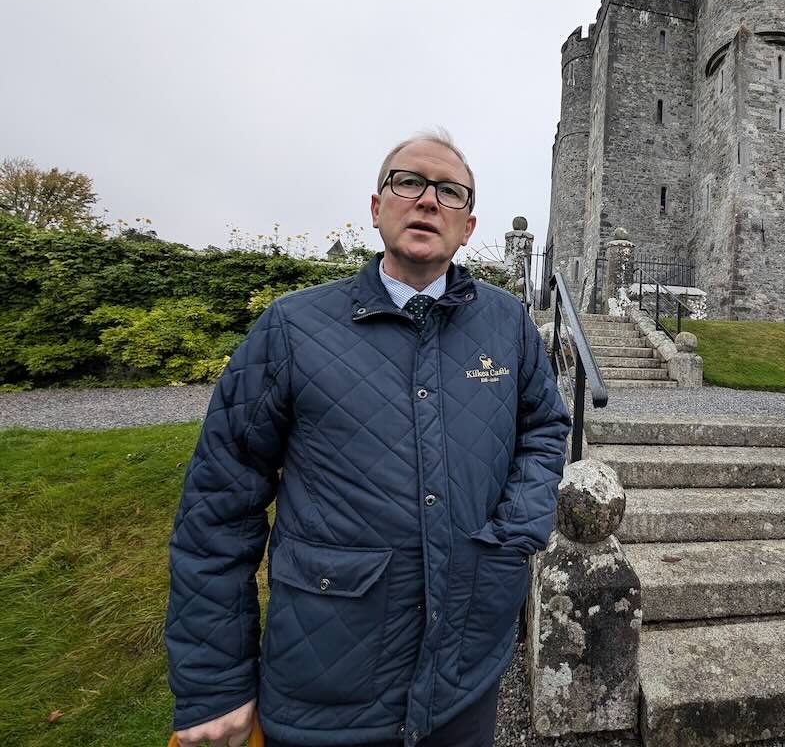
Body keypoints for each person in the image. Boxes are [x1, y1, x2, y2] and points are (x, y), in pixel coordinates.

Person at [166, 131, 569, 747]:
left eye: (449, 192)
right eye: (408, 183)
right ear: (377, 207)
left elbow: (544, 426)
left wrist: (514, 535)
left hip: (465, 670)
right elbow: (218, 510)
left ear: (468, 225)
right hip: (329, 678)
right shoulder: (293, 328)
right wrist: (214, 685)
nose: (428, 200)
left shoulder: (505, 321)